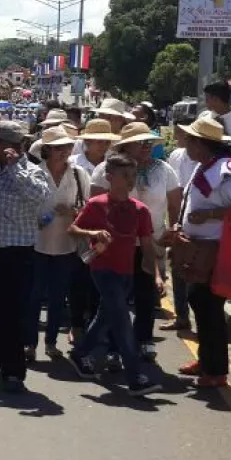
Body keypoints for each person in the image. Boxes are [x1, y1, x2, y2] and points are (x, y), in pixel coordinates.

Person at [66, 154, 163, 397]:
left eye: (133, 176)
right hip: (103, 270)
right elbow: (73, 229)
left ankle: (79, 354)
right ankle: (134, 377)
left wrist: (155, 275)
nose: (130, 181)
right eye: (125, 176)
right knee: (121, 321)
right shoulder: (96, 204)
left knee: (105, 318)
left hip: (127, 272)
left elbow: (147, 245)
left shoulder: (140, 210)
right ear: (109, 177)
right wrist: (94, 232)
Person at [88, 123, 180, 362]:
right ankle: (113, 346)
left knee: (146, 293)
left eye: (149, 142)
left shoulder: (164, 170)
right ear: (126, 146)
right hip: (115, 247)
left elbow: (173, 204)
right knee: (114, 298)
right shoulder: (104, 170)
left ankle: (144, 338)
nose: (146, 146)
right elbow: (95, 204)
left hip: (150, 242)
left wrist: (173, 227)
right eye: (141, 142)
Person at [0, 121, 52, 393]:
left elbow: (38, 197)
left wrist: (16, 166)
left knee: (13, 314)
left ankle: (13, 370)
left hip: (17, 254)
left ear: (9, 147)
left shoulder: (32, 172)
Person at [167, 115, 231, 388]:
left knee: (209, 308)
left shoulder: (225, 170)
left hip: (215, 250)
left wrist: (210, 215)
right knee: (200, 304)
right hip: (197, 249)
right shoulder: (204, 166)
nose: (186, 146)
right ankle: (207, 360)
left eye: (191, 141)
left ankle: (215, 370)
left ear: (203, 144)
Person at [24, 125, 89, 361]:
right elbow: (24, 206)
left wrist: (72, 211)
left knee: (57, 297)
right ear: (47, 150)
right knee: (33, 296)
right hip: (36, 243)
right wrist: (35, 220)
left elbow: (88, 208)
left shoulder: (79, 174)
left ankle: (51, 342)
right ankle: (29, 343)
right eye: (59, 147)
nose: (65, 151)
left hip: (66, 245)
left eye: (68, 146)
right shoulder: (33, 173)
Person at [161, 124, 199, 333]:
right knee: (177, 268)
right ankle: (182, 316)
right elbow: (173, 190)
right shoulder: (176, 155)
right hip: (181, 218)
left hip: (204, 231)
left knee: (198, 278)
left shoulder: (219, 165)